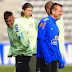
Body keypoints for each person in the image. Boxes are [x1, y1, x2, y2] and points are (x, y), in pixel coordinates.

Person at [36, 3, 65, 72]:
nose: (61, 13)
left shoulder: (55, 25)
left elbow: (56, 43)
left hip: (54, 58)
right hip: (44, 58)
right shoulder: (44, 22)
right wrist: (47, 56)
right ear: (53, 11)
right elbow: (40, 40)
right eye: (59, 11)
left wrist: (60, 58)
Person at [16, 3, 38, 72]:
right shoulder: (17, 21)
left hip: (33, 52)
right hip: (21, 53)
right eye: (28, 10)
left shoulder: (35, 21)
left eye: (31, 11)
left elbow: (38, 35)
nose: (30, 12)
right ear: (23, 10)